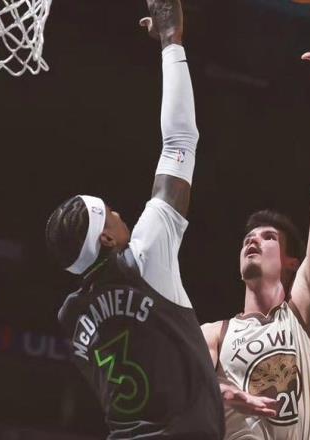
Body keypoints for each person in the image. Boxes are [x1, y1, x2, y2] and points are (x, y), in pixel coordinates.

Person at [45, 1, 224, 438]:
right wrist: (171, 42)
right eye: (110, 213)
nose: (120, 213)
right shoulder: (143, 259)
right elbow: (179, 142)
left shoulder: (71, 316)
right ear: (107, 239)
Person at [201, 3, 310, 439]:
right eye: (249, 237)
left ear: (292, 261)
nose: (252, 240)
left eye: (268, 236)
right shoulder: (214, 335)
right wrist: (227, 393)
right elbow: (173, 381)